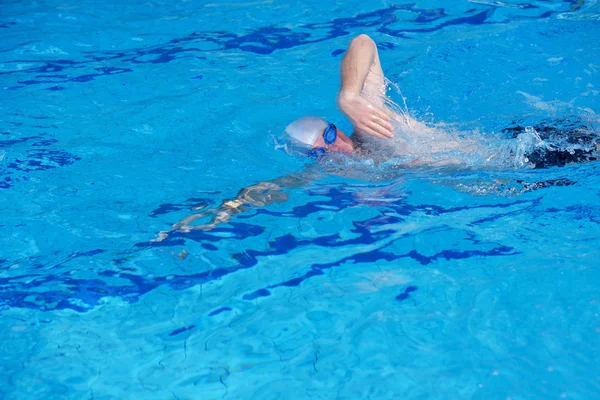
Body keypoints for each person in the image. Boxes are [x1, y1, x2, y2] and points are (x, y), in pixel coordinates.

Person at [152, 34, 598, 240]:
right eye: (322, 146)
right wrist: (218, 213)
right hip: (517, 171)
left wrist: (347, 96)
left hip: (537, 150)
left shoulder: (369, 125)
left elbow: (363, 42)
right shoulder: (345, 170)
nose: (334, 143)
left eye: (330, 131)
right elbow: (272, 190)